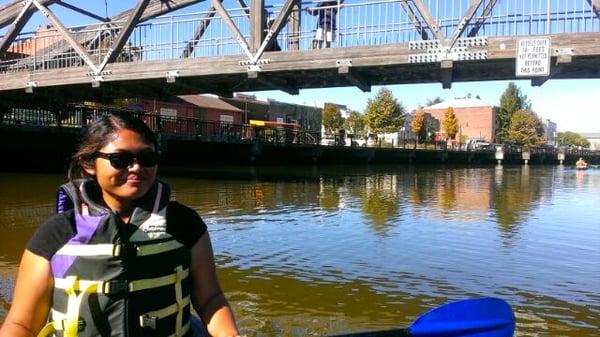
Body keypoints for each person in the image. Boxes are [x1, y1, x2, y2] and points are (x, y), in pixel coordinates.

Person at [0, 112, 241, 337]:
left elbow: (210, 298)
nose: (136, 167)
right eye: (120, 159)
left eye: (147, 158)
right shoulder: (56, 233)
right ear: (88, 163)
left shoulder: (184, 224)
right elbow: (22, 322)